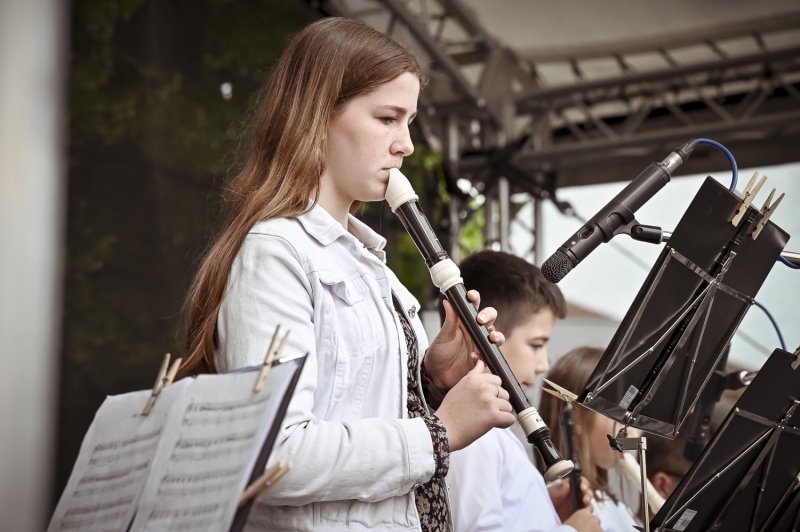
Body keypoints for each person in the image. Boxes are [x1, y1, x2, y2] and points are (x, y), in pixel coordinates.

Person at [178, 17, 514, 532]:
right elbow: (275, 459)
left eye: (410, 122)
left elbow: (357, 406)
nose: (405, 144)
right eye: (387, 118)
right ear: (318, 116)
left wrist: (431, 379)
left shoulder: (367, 261)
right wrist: (439, 432)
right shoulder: (277, 253)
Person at [444, 250, 602, 532]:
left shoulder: (493, 432)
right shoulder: (472, 436)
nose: (543, 364)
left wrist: (545, 507)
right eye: (536, 344)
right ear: (490, 333)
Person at [540, 347, 640, 532]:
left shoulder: (612, 503)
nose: (633, 435)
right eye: (621, 419)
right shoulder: (564, 503)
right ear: (576, 418)